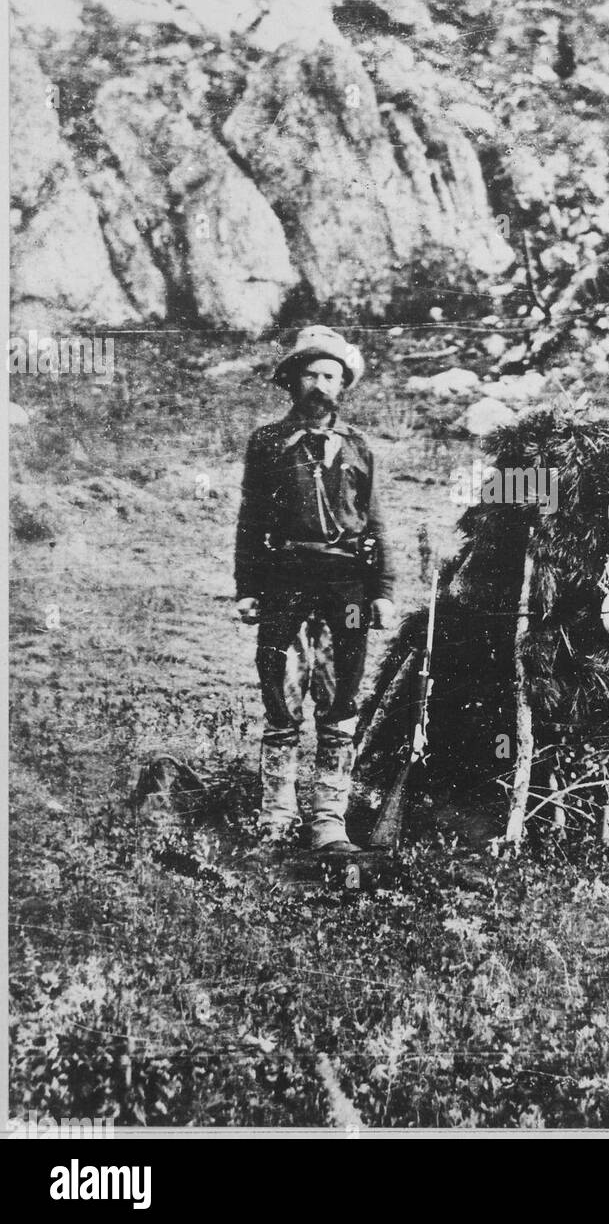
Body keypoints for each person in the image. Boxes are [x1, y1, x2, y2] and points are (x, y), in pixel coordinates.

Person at [235, 327, 396, 854]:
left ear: (342, 385)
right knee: (281, 693)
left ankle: (330, 820)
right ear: (292, 381)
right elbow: (250, 519)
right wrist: (247, 586)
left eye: (330, 375)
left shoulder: (358, 447)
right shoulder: (266, 443)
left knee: (340, 695)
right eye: (311, 373)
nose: (320, 384)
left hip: (345, 584)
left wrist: (383, 591)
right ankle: (276, 817)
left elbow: (374, 524)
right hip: (284, 579)